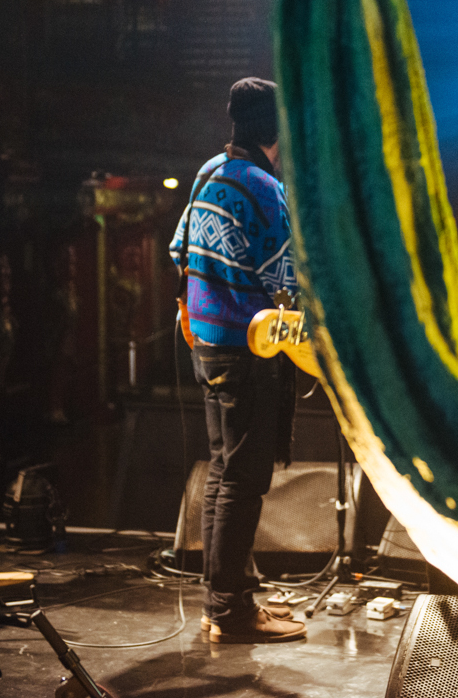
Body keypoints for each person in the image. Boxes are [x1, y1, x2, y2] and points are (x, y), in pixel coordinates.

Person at [169, 77, 306, 644]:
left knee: (224, 472)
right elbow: (286, 280)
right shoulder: (261, 187)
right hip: (249, 350)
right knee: (242, 482)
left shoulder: (208, 172)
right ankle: (230, 609)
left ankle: (222, 600)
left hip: (205, 343)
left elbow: (179, 249)